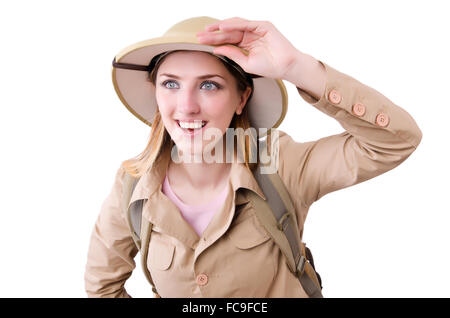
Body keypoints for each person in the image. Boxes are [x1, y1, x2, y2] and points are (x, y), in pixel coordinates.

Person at [84, 16, 422, 298]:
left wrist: (297, 67)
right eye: (171, 84)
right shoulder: (132, 184)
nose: (186, 105)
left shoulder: (279, 164)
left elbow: (394, 141)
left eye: (209, 85)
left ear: (242, 98)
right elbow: (102, 288)